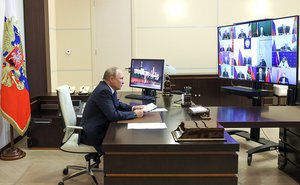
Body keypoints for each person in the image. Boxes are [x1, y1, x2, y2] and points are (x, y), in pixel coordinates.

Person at [79, 67, 145, 153]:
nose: (123, 82)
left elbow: (117, 104)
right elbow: (113, 115)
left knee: (123, 136)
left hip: (100, 127)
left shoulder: (108, 88)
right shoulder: (103, 91)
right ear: (111, 79)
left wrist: (132, 108)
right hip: (94, 134)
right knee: (123, 144)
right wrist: (134, 114)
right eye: (121, 78)